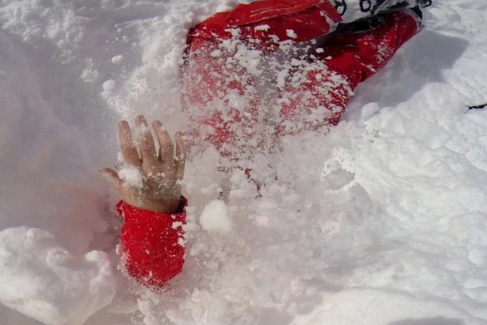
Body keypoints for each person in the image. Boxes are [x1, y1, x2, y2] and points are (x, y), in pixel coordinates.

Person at [101, 0, 431, 289]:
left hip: (227, 147)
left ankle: (336, 8)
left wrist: (154, 212)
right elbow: (154, 278)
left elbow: (146, 273)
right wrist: (158, 210)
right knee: (331, 74)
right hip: (273, 169)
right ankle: (402, 16)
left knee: (214, 42)